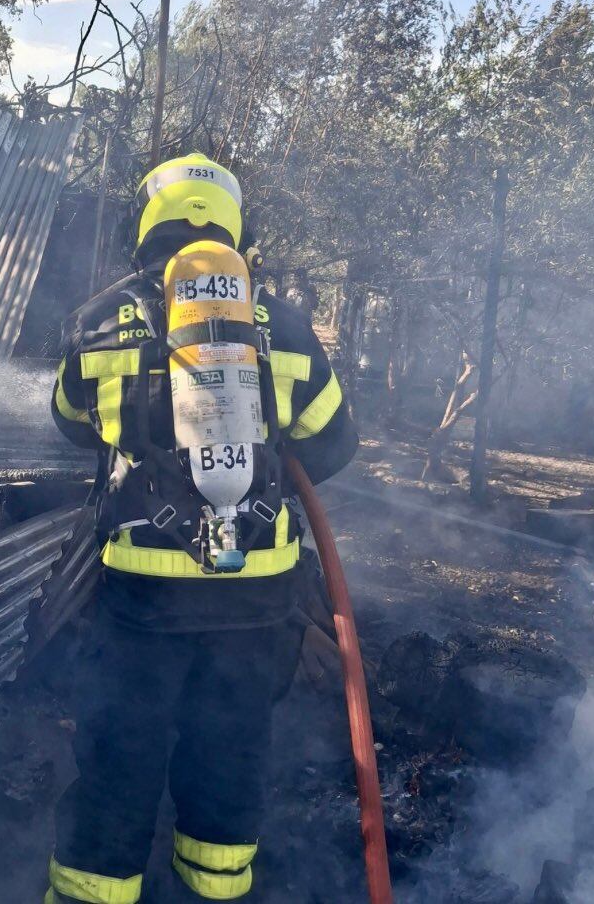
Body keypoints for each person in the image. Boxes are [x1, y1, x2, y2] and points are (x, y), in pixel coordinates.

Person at [47, 153, 358, 903]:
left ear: (148, 222)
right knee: (229, 759)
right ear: (232, 226)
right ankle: (213, 891)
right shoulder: (286, 325)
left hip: (144, 594)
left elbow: (69, 422)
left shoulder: (100, 318)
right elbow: (334, 441)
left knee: (119, 762)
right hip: (257, 596)